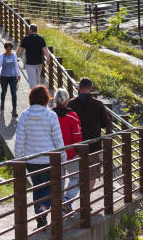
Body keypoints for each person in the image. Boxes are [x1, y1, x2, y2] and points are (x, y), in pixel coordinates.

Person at [15, 85, 66, 228]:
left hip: (31, 160)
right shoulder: (51, 115)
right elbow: (58, 139)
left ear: (31, 98)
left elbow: (20, 140)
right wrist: (63, 156)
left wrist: (19, 159)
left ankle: (40, 217)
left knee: (37, 187)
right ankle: (43, 209)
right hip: (49, 159)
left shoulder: (25, 115)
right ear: (46, 99)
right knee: (50, 185)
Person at [68, 77, 111, 194]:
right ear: (91, 89)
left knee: (77, 175)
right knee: (92, 174)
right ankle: (85, 200)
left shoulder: (71, 103)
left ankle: (73, 198)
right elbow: (105, 124)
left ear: (79, 89)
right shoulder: (98, 104)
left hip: (76, 146)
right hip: (94, 145)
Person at [52, 89, 82, 212]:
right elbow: (77, 136)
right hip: (71, 153)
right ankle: (67, 199)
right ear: (67, 100)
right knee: (77, 178)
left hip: (54, 154)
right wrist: (79, 150)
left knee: (59, 180)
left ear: (55, 100)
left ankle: (60, 206)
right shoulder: (72, 116)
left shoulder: (50, 115)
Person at [17, 23, 51, 88]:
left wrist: (15, 57)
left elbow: (20, 50)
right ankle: (37, 95)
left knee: (32, 82)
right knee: (37, 81)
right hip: (39, 63)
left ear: (30, 30)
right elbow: (45, 50)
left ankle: (34, 96)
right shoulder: (41, 39)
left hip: (30, 63)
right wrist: (48, 59)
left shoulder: (26, 39)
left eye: (28, 29)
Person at [0, 42, 21, 117]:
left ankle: (14, 110)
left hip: (13, 77)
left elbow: (16, 66)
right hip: (4, 77)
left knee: (14, 93)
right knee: (4, 91)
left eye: (10, 49)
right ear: (5, 49)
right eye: (8, 49)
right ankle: (2, 103)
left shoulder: (14, 56)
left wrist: (18, 74)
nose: (9, 51)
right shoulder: (1, 57)